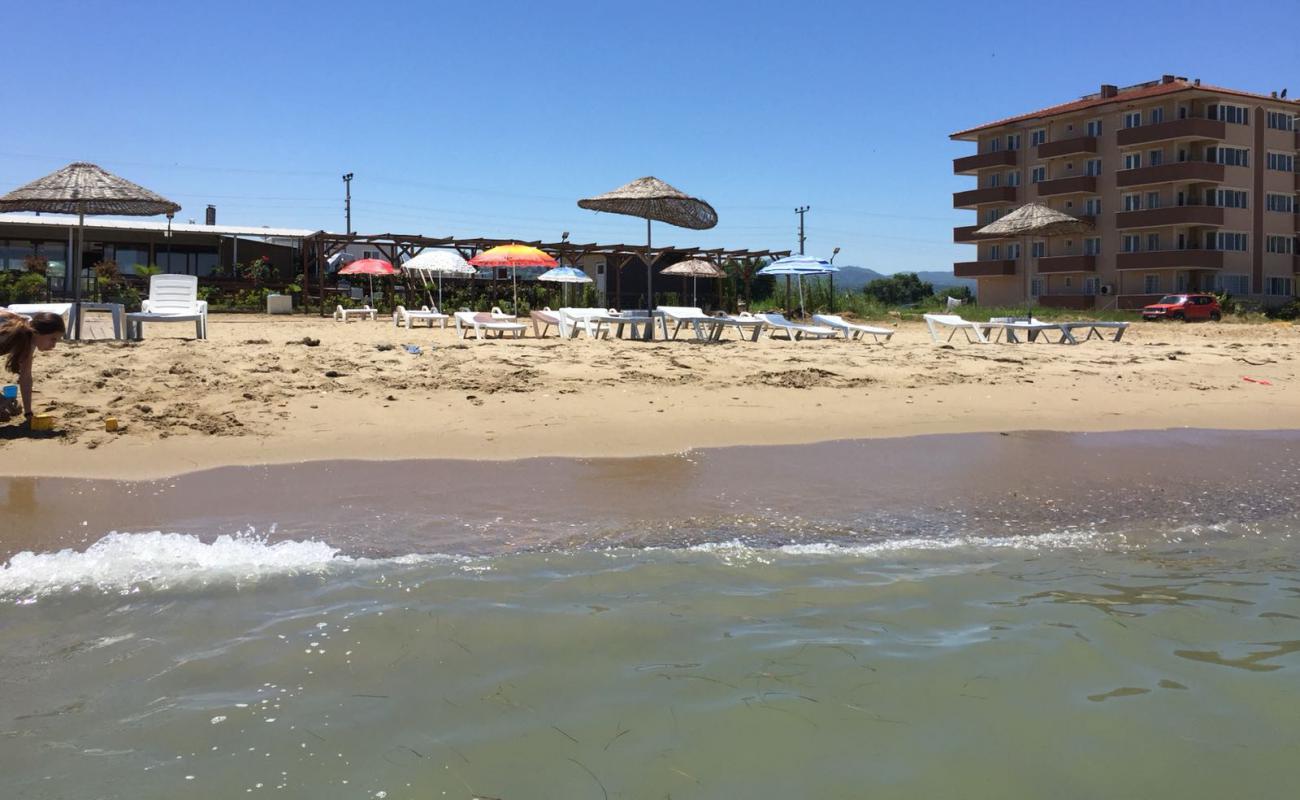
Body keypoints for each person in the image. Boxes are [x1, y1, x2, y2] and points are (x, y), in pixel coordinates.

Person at [0, 311, 65, 426]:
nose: (54, 346)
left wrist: (28, 413)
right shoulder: (9, 333)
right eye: (53, 339)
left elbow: (26, 377)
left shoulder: (30, 336)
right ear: (40, 332)